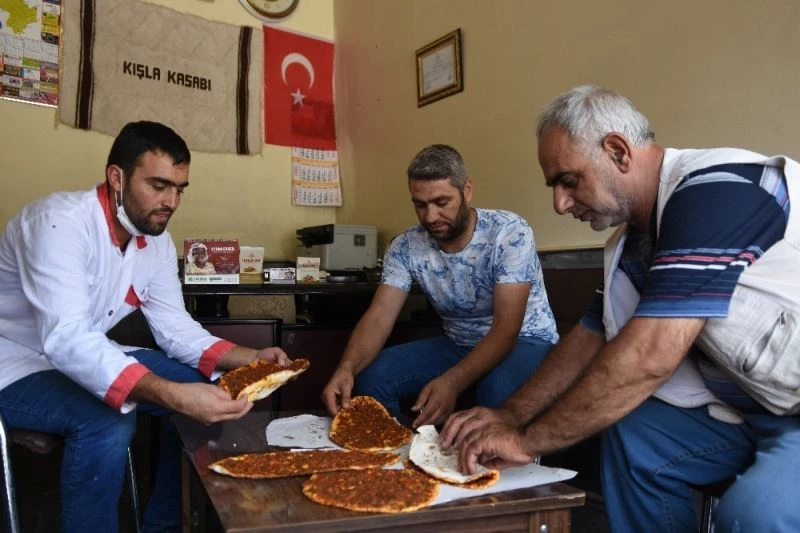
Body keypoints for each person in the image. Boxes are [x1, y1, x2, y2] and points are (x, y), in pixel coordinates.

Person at [442, 85, 800, 532]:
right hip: (753, 413)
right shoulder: (633, 244)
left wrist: (525, 439)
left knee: (757, 514)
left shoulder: (716, 190)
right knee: (635, 437)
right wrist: (512, 413)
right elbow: (590, 336)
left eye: (568, 181)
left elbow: (647, 357)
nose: (560, 203)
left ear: (617, 151)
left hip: (793, 415)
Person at [0, 121, 292, 533]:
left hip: (84, 353)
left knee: (210, 392)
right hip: (16, 361)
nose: (171, 201)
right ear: (116, 177)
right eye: (158, 185)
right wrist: (173, 395)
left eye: (179, 188)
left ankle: (166, 525)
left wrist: (251, 358)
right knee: (107, 419)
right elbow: (66, 338)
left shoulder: (154, 241)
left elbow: (176, 330)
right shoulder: (56, 223)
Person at [321, 144, 558, 428]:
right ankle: (403, 460)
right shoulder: (405, 245)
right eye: (420, 205)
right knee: (372, 376)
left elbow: (506, 331)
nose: (430, 217)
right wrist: (346, 367)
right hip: (459, 343)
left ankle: (497, 469)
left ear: (466, 190)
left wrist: (453, 381)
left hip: (525, 339)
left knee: (496, 391)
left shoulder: (510, 233)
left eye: (441, 202)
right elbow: (379, 316)